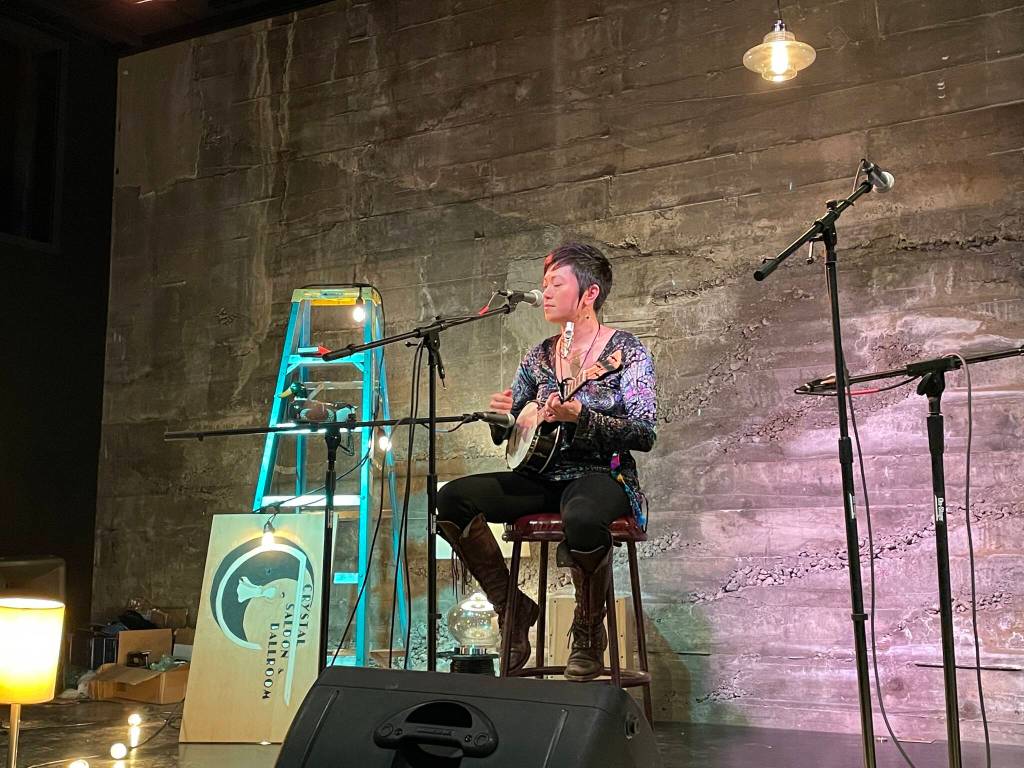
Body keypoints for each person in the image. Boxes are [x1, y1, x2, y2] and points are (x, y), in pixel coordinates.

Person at [436, 242, 657, 681]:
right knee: (452, 499)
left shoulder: (625, 351)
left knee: (584, 516)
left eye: (557, 283)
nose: (546, 293)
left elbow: (644, 431)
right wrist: (504, 417)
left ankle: (589, 632)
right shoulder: (538, 356)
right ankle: (512, 608)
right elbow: (518, 428)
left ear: (589, 293)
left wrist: (583, 416)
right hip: (540, 475)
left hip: (600, 475)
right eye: (544, 285)